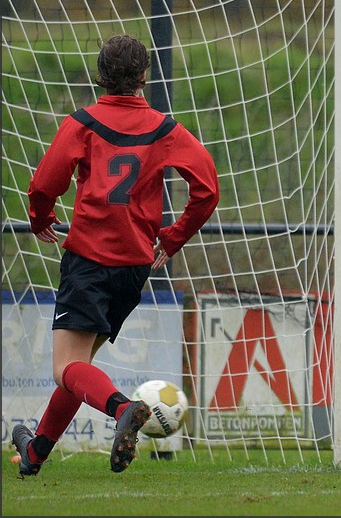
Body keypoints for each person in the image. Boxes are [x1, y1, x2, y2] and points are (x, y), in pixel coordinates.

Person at [14, 34, 220, 476]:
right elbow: (207, 189)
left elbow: (44, 183)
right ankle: (34, 454)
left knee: (66, 367)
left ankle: (124, 407)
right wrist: (173, 238)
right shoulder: (166, 129)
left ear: (100, 75)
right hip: (134, 267)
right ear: (145, 76)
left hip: (89, 259)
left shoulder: (83, 123)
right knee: (79, 368)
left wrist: (39, 217)